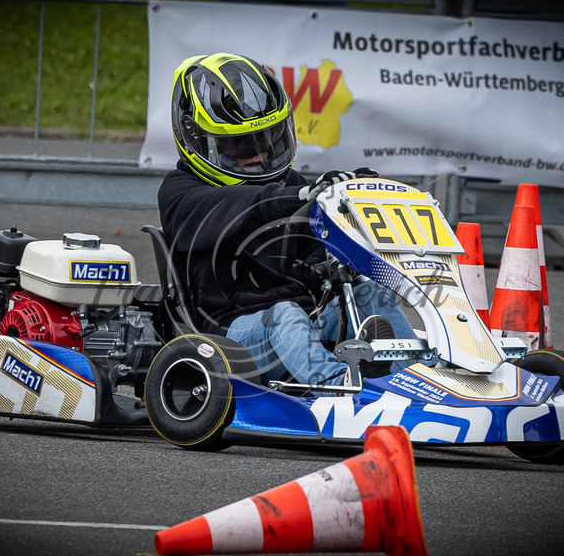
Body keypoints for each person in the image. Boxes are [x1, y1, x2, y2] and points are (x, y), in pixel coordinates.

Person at [157, 52, 414, 391]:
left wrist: (350, 200)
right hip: (229, 337)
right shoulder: (182, 193)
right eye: (241, 146)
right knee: (285, 315)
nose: (260, 154)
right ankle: (338, 388)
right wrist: (297, 197)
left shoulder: (288, 185)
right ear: (197, 138)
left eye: (268, 138)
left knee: (370, 293)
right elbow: (249, 206)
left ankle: (422, 377)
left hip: (308, 322)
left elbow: (319, 248)